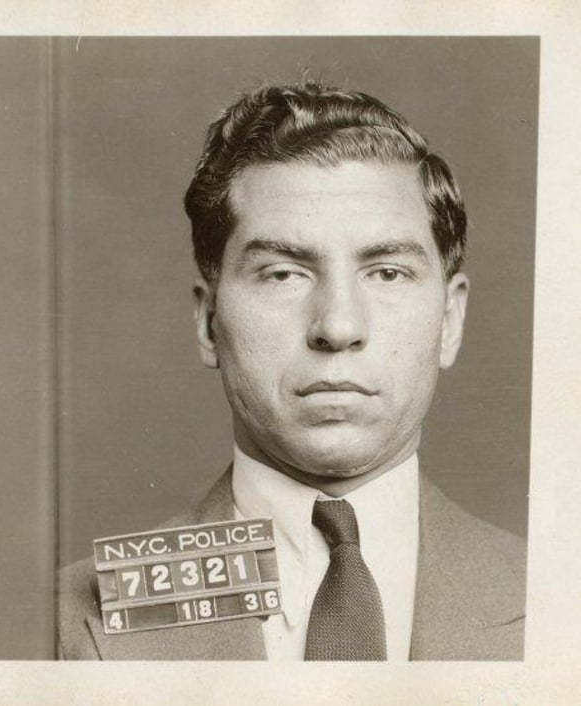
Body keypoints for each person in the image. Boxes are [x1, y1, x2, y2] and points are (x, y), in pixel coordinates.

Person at [58, 82, 525, 661]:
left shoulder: (558, 602)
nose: (338, 326)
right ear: (208, 321)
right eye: (283, 274)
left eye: (387, 272)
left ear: (450, 319)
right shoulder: (64, 625)